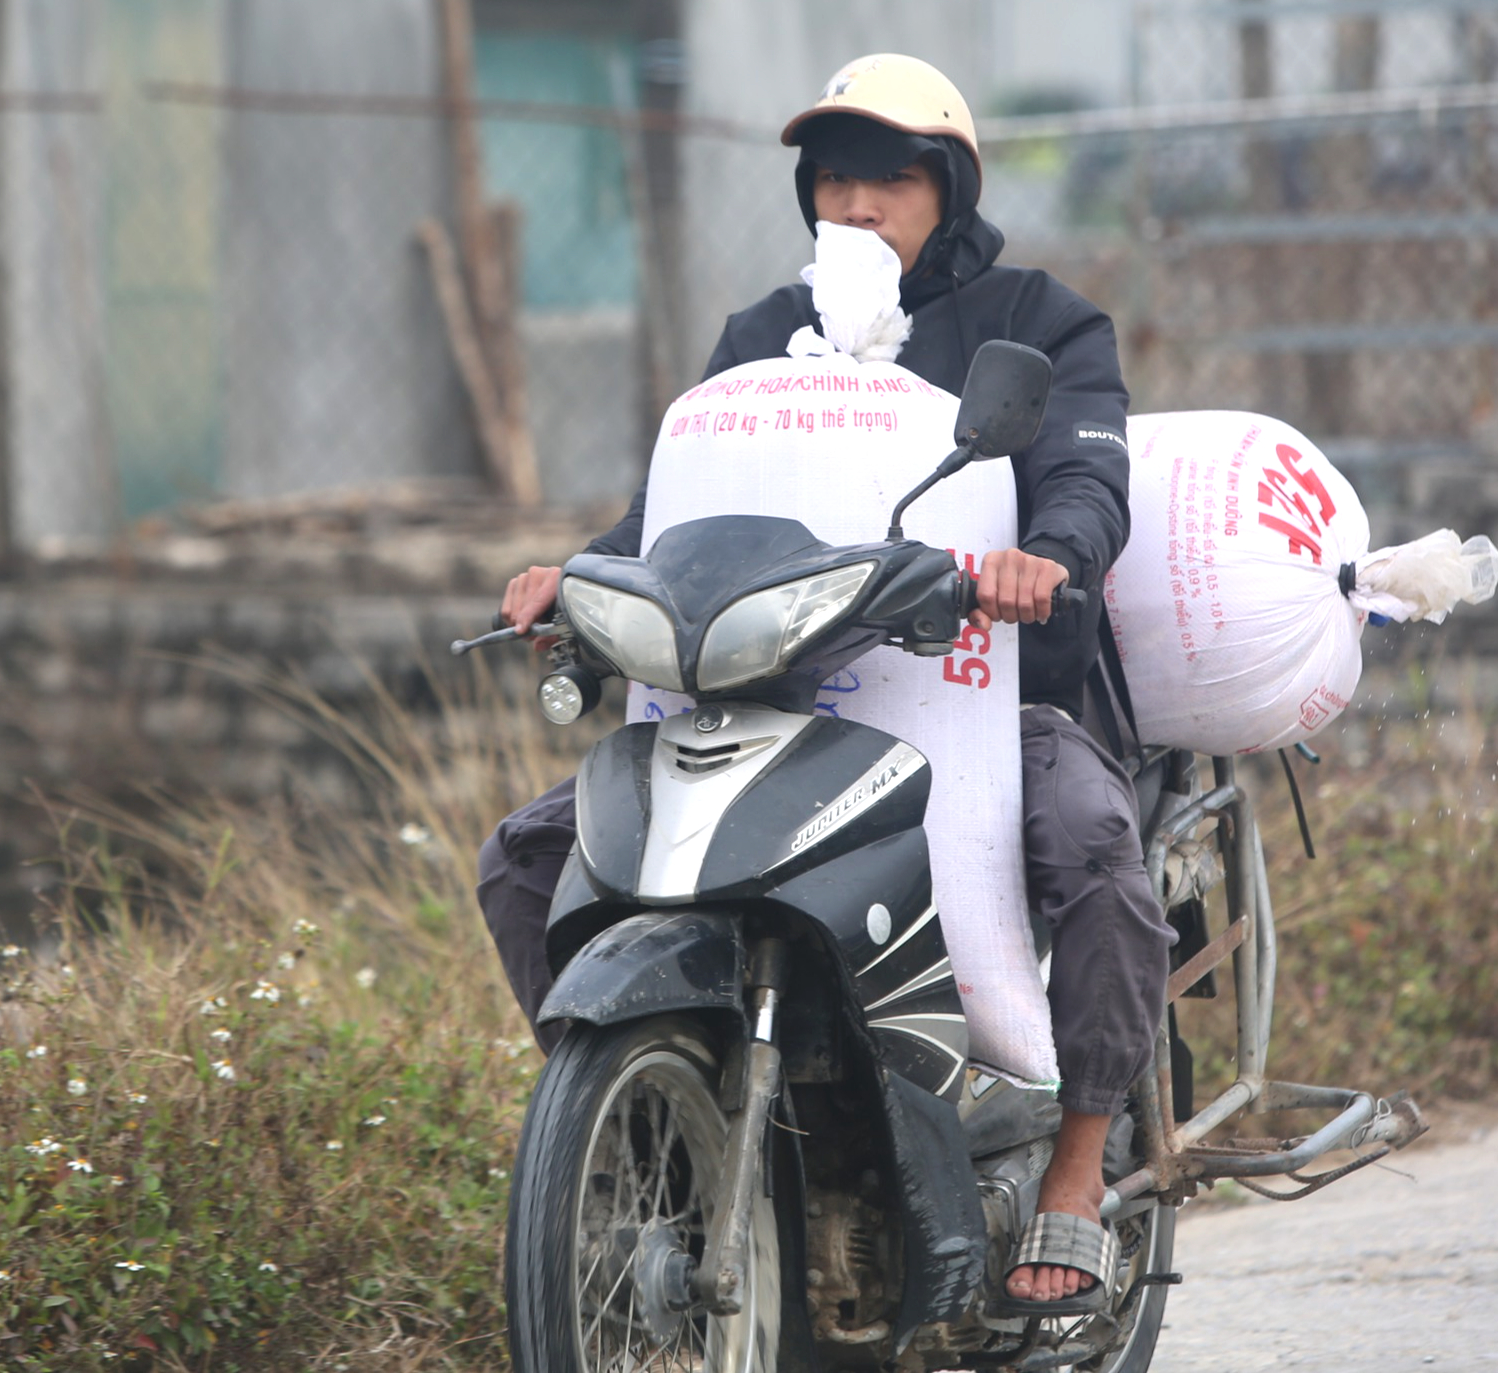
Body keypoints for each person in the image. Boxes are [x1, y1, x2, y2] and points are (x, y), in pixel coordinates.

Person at [477, 53, 1175, 1311]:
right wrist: (578, 575)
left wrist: (1043, 558)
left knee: (1089, 840)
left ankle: (1076, 1162)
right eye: (834, 179)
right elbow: (671, 512)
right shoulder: (760, 339)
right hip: (775, 708)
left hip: (988, 692)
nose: (855, 206)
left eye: (890, 179)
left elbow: (1085, 475)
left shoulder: (1040, 320)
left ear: (948, 189)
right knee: (527, 856)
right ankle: (650, 1135)